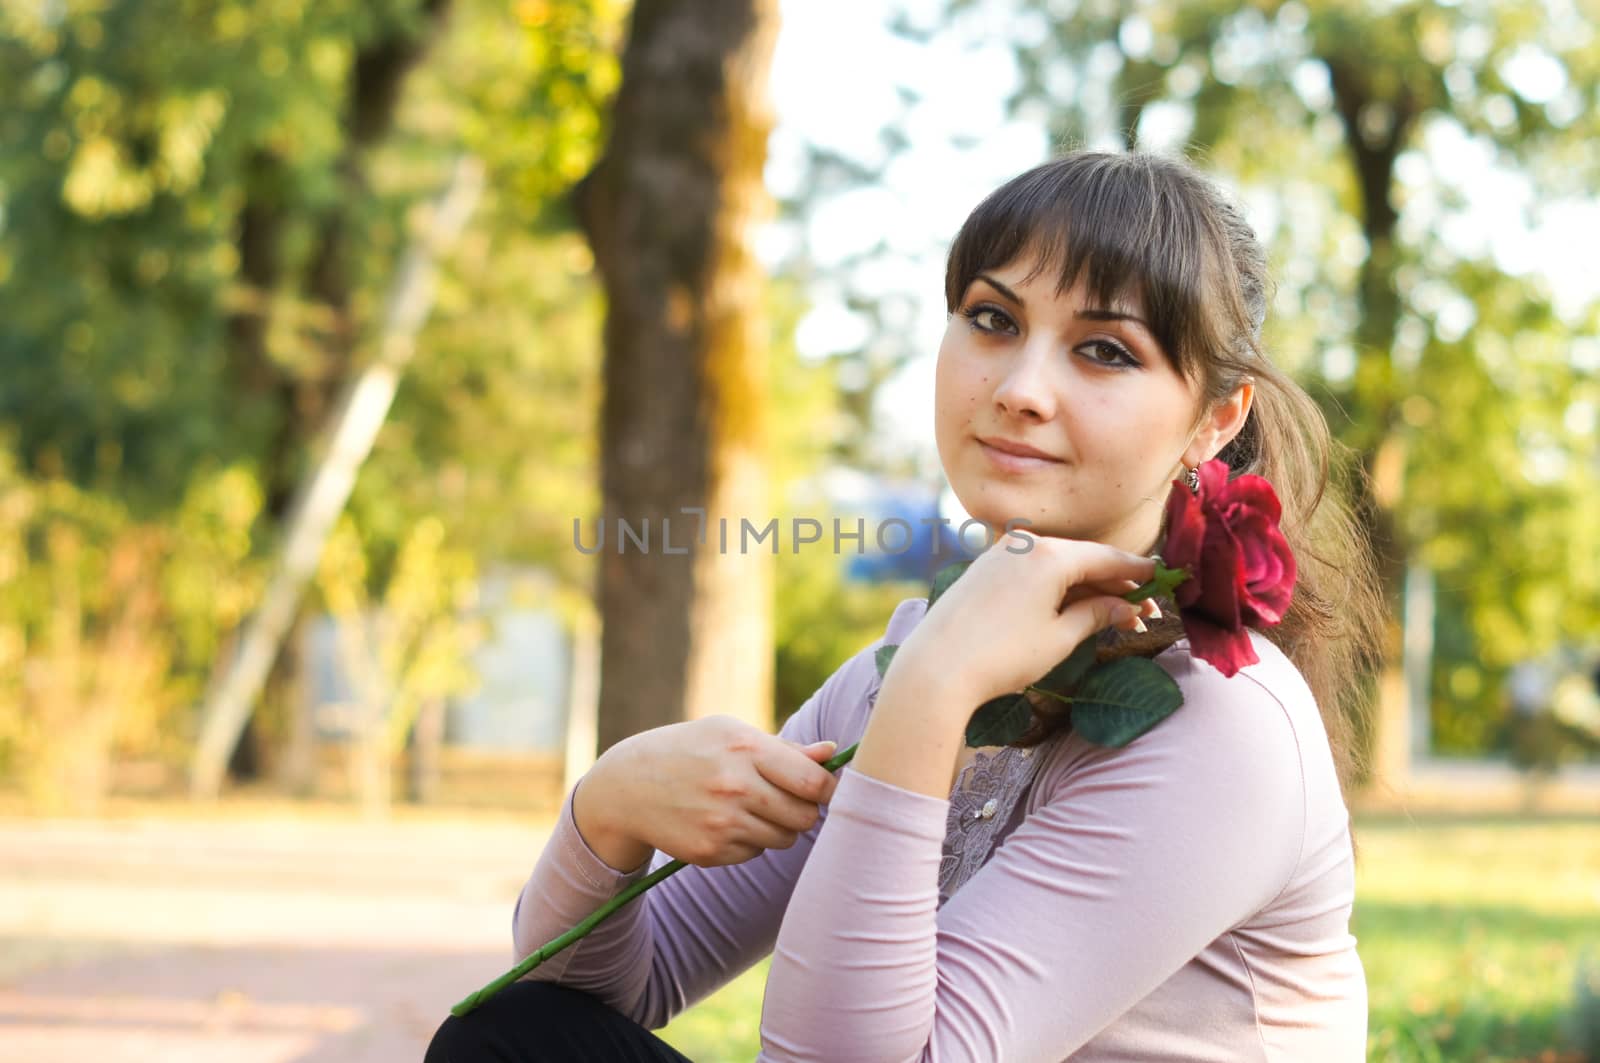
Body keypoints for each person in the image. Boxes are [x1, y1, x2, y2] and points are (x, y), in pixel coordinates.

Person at [427, 150, 1387, 1062]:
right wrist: (610, 809)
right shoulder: (920, 658)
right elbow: (580, 1003)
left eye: (1103, 349)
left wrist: (930, 696)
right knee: (511, 1043)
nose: (1018, 389)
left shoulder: (1223, 726)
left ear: (1216, 420)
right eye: (992, 319)